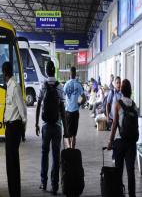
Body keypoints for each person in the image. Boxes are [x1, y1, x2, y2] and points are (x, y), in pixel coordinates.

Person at [35, 61, 64, 195]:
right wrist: (67, 129)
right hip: (57, 126)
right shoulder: (60, 87)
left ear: (46, 71)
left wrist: (36, 123)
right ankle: (55, 186)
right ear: (55, 71)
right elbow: (62, 108)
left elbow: (39, 104)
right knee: (56, 155)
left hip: (46, 126)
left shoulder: (43, 86)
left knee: (44, 154)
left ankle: (43, 182)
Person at [107, 79, 138, 197]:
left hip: (120, 141)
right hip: (131, 143)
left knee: (118, 171)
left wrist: (110, 141)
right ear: (130, 91)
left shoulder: (118, 104)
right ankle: (132, 194)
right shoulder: (135, 105)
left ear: (121, 90)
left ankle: (119, 193)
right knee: (131, 171)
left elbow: (115, 124)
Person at [2, 61, 27, 197]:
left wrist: (22, 128)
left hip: (14, 127)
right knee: (9, 162)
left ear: (5, 73)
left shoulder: (15, 87)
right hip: (9, 127)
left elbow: (22, 108)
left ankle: (15, 192)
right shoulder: (9, 86)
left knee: (13, 162)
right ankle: (12, 191)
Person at [63, 67, 84, 149]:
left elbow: (62, 96)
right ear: (75, 74)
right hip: (75, 112)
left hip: (67, 112)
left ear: (69, 74)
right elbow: (84, 98)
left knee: (67, 133)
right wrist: (79, 104)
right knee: (74, 134)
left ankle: (68, 148)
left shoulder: (66, 84)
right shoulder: (78, 84)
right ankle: (72, 149)